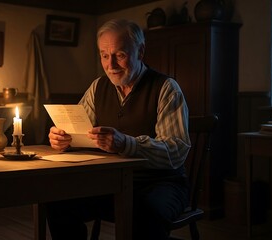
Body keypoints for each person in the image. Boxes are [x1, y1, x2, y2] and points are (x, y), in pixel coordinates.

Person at [46, 19, 191, 240]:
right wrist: (63, 139)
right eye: (104, 55)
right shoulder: (98, 87)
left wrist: (127, 144)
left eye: (120, 55)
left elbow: (177, 150)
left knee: (144, 214)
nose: (111, 64)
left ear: (140, 52)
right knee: (58, 203)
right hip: (110, 183)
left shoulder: (166, 88)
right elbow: (77, 132)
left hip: (160, 184)